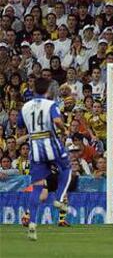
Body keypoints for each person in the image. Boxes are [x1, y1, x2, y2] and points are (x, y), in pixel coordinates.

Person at [17, 77, 71, 240]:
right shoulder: (50, 104)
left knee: (37, 188)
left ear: (33, 90)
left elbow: (19, 125)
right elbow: (56, 120)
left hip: (35, 148)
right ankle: (60, 199)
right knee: (67, 167)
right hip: (49, 142)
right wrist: (64, 129)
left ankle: (32, 225)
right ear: (48, 90)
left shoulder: (25, 107)